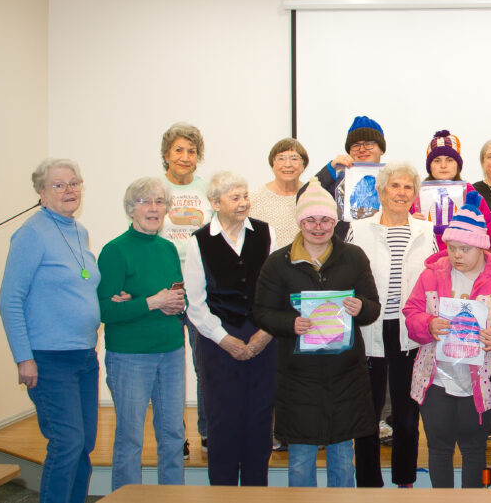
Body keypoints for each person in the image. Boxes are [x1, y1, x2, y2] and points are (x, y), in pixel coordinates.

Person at [252, 178, 381, 487]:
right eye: (310, 219)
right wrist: (290, 324)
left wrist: (359, 307)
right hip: (299, 376)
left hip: (345, 373)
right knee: (300, 458)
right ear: (300, 222)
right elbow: (262, 312)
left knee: (341, 457)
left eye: (325, 219)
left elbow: (373, 307)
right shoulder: (278, 263)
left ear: (335, 221)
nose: (318, 226)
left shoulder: (354, 257)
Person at [404, 192, 491, 488]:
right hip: (435, 378)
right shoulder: (431, 275)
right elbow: (411, 313)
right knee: (439, 448)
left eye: (465, 249)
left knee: (473, 449)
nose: (457, 255)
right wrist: (429, 324)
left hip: (481, 381)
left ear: (482, 248)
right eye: (452, 248)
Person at [0, 159, 101, 503]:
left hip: (84, 356)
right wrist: (23, 357)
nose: (69, 190)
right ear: (41, 194)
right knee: (67, 441)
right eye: (58, 185)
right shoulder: (31, 233)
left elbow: (79, 285)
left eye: (74, 183)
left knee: (84, 443)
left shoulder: (79, 231)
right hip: (47, 359)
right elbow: (9, 299)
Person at [346, 162, 438, 488]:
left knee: (407, 415)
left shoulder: (426, 232)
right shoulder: (358, 229)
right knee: (367, 414)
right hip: (369, 327)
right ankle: (368, 484)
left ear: (415, 194)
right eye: (395, 186)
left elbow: (435, 280)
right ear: (382, 191)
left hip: (409, 331)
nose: (401, 193)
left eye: (408, 187)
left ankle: (405, 481)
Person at [184, 172, 276, 486]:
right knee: (222, 423)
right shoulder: (198, 241)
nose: (243, 203)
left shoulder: (266, 233)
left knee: (260, 420)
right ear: (215, 203)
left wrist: (263, 335)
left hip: (261, 338)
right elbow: (194, 303)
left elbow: (275, 290)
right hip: (217, 342)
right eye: (234, 198)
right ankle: (221, 492)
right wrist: (226, 340)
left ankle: (256, 491)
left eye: (245, 196)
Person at [97, 177, 186, 490]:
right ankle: (126, 497)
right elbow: (105, 311)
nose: (153, 208)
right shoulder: (114, 251)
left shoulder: (168, 249)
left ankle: (173, 497)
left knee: (174, 435)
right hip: (130, 357)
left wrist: (175, 304)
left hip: (172, 350)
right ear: (130, 209)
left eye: (160, 202)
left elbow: (176, 295)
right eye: (145, 202)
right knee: (131, 438)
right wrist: (152, 302)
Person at [158, 122, 211, 455]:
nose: (185, 156)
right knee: (168, 367)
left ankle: (207, 431)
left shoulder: (208, 189)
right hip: (163, 290)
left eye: (191, 151)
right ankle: (175, 437)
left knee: (205, 364)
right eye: (178, 150)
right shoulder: (154, 189)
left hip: (199, 289)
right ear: (166, 154)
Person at [412, 130, 491, 256]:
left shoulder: (472, 196)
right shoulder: (415, 197)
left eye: (449, 160)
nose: (443, 165)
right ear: (430, 166)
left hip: (465, 264)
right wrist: (409, 224)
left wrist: (477, 228)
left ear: (458, 165)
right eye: (437, 160)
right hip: (425, 263)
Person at [303, 114, 387, 239]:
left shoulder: (393, 180)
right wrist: (330, 169)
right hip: (343, 251)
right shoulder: (338, 180)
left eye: (369, 144)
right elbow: (303, 198)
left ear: (381, 149)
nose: (362, 149)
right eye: (355, 145)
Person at [250, 138, 309, 249]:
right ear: (272, 164)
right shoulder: (253, 198)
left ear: (304, 165)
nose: (288, 164)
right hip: (267, 264)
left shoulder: (313, 195)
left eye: (294, 158)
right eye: (281, 159)